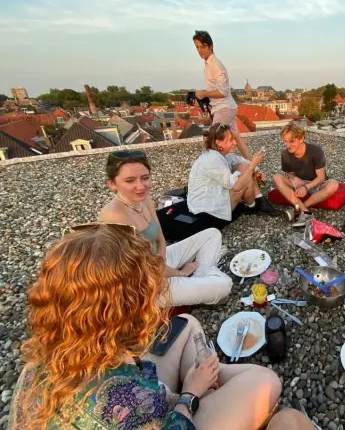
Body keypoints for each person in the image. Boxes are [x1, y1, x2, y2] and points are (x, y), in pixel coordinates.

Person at [9, 224, 282, 429]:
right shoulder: (125, 399)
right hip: (162, 415)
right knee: (266, 381)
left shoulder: (52, 354)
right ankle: (212, 386)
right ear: (128, 307)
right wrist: (189, 396)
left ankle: (210, 380)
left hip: (144, 395)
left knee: (185, 324)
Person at [98, 150, 232, 306]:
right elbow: (145, 267)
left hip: (159, 262)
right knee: (225, 284)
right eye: (130, 180)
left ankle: (198, 281)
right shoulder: (114, 215)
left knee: (212, 234)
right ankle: (199, 284)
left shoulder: (143, 198)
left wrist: (168, 266)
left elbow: (160, 238)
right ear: (112, 184)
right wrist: (180, 273)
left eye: (145, 178)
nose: (140, 186)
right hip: (146, 285)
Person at [187, 122, 281, 229]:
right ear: (218, 143)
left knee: (244, 168)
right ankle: (253, 207)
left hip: (212, 198)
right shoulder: (212, 160)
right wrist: (252, 168)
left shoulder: (222, 155)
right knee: (245, 176)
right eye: (231, 140)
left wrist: (256, 171)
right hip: (207, 209)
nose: (235, 142)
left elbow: (243, 162)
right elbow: (235, 187)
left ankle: (258, 202)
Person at [192, 30, 251, 161]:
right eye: (197, 47)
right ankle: (252, 167)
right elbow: (217, 90)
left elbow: (223, 91)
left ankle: (214, 170)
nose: (200, 50)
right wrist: (204, 96)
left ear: (211, 46)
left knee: (212, 140)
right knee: (236, 136)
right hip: (225, 107)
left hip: (224, 108)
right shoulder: (208, 64)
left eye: (203, 46)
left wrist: (204, 93)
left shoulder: (215, 65)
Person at [273, 121, 340, 226]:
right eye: (285, 141)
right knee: (277, 177)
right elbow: (290, 173)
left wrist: (306, 188)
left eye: (291, 141)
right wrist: (295, 178)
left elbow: (321, 178)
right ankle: (306, 213)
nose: (288, 145)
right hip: (299, 182)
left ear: (301, 138)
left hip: (316, 183)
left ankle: (299, 208)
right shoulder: (285, 154)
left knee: (333, 184)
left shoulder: (316, 151)